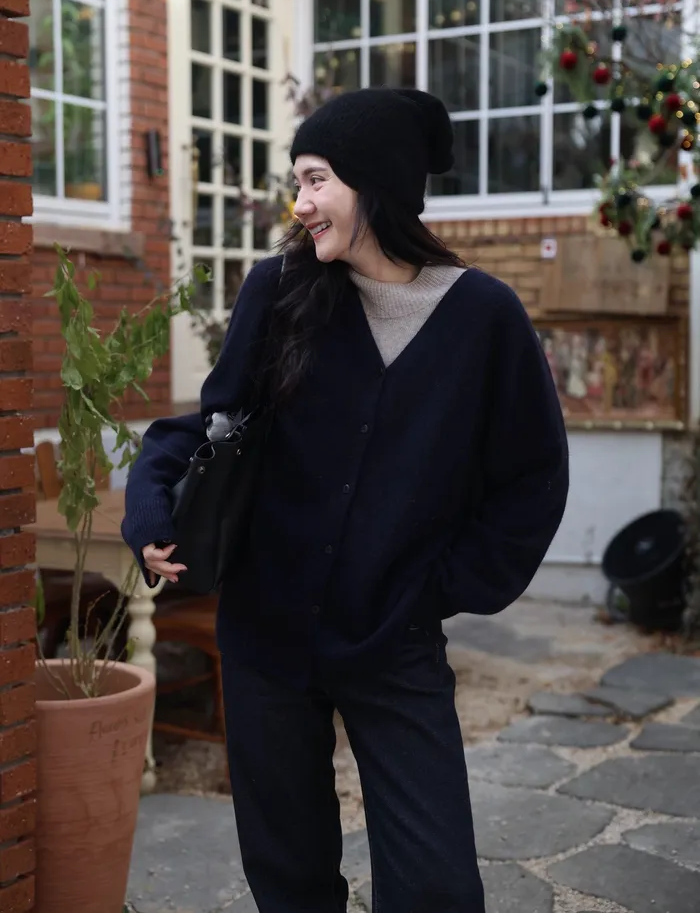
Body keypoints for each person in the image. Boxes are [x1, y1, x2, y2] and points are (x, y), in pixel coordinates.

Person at [122, 87, 569, 913]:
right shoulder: (280, 288)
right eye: (298, 181)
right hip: (265, 633)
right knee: (289, 879)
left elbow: (532, 477)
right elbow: (214, 425)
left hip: (394, 641)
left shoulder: (483, 317)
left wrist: (442, 586)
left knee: (435, 885)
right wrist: (149, 506)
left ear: (377, 183)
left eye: (317, 179)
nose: (300, 204)